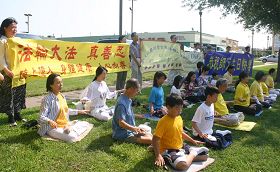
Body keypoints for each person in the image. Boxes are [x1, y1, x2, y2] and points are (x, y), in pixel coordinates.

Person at [153, 93, 209, 171]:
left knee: (205, 156)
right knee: (183, 166)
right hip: (168, 149)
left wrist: (192, 141)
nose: (180, 111)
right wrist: (158, 155)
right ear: (168, 107)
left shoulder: (179, 117)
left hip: (181, 146)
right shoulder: (163, 122)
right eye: (177, 108)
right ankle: (192, 154)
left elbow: (181, 133)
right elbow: (155, 139)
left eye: (181, 108)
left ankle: (186, 156)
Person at [38, 74, 91, 143]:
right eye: (58, 83)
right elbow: (41, 117)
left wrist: (79, 111)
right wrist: (50, 121)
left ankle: (68, 127)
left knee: (85, 124)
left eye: (61, 82)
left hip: (65, 123)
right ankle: (69, 128)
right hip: (53, 128)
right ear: (51, 85)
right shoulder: (47, 99)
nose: (61, 84)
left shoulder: (61, 96)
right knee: (73, 137)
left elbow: (65, 110)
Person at [0, 18, 27, 126]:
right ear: (5, 28)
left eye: (16, 27)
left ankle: (17, 114)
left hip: (19, 72)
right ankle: (11, 117)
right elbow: (0, 58)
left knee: (19, 93)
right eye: (12, 27)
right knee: (9, 95)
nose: (15, 29)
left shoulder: (17, 40)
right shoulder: (2, 41)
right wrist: (6, 70)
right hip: (8, 73)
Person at [112, 78, 152, 144]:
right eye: (136, 91)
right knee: (151, 140)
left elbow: (127, 115)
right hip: (122, 134)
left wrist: (138, 116)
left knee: (150, 135)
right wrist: (134, 129)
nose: (137, 93)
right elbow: (121, 123)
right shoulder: (121, 104)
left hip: (131, 131)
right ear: (130, 89)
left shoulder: (128, 99)